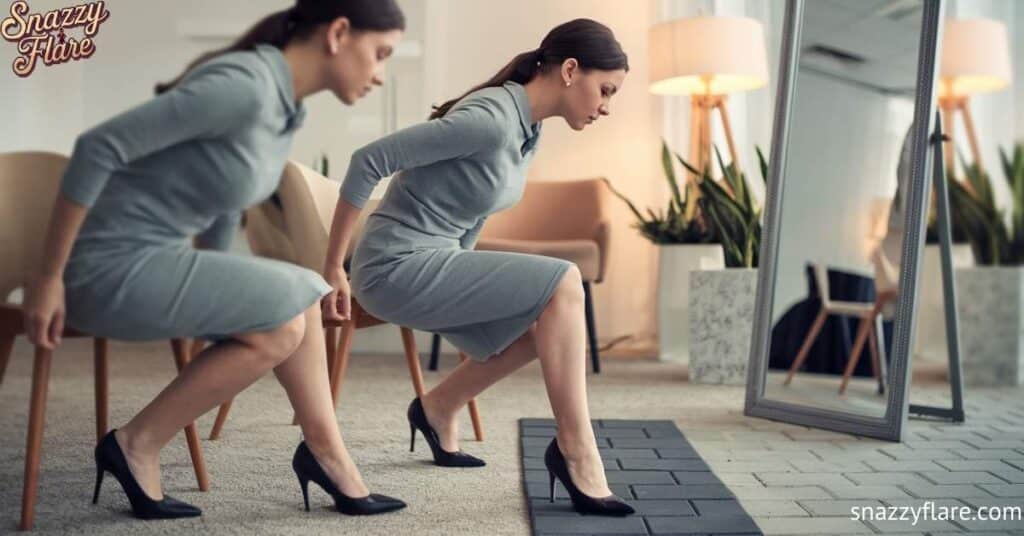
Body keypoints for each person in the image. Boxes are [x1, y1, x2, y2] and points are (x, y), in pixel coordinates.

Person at [23, 0, 408, 520]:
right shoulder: (244, 84)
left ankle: (324, 452)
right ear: (339, 33)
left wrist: (221, 292)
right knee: (295, 297)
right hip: (102, 268)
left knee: (287, 306)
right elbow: (98, 148)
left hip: (157, 262)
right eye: (380, 53)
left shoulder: (285, 105)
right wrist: (48, 278)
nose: (381, 75)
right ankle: (138, 443)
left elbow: (223, 207)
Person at [323, 18, 635, 516]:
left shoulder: (527, 130)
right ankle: (577, 449)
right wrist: (334, 267)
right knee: (565, 281)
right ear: (571, 70)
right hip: (392, 266)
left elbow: (473, 212)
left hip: (436, 262)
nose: (606, 107)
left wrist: (467, 287)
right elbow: (367, 161)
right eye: (606, 90)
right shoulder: (490, 119)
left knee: (551, 325)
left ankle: (438, 407)